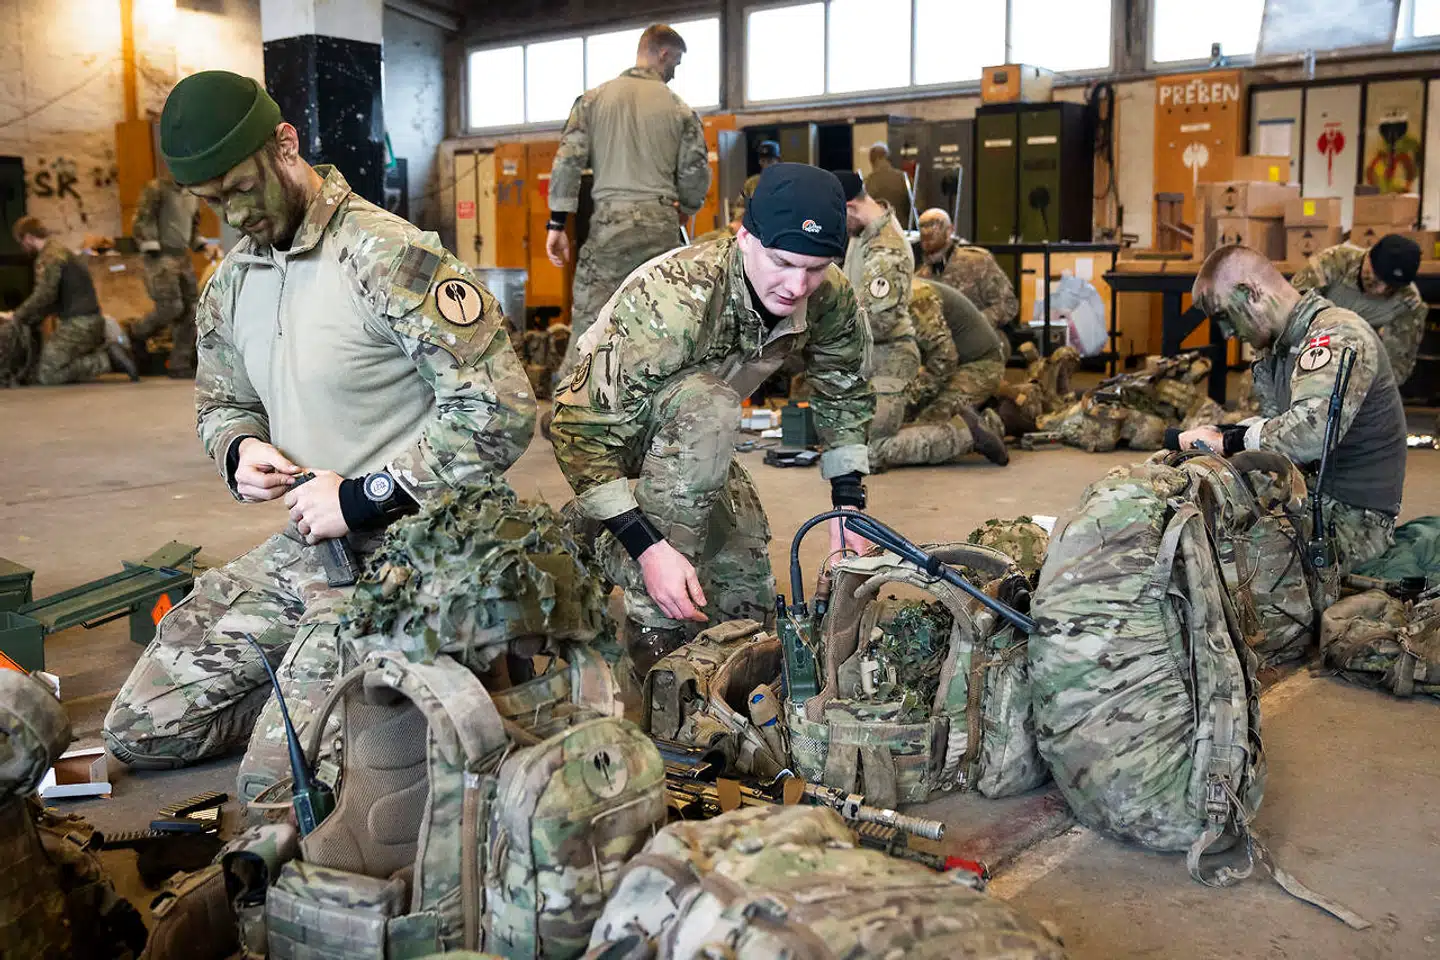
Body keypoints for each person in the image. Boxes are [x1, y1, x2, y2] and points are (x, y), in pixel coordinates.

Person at [101, 71, 536, 802]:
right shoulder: (232, 280)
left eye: (239, 189)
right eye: (210, 204)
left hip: (421, 548)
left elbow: (502, 409)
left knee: (277, 790)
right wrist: (239, 449)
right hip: (312, 546)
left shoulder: (390, 257)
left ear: (285, 145)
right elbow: (222, 403)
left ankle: (399, 696)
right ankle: (350, 700)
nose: (232, 216)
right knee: (142, 729)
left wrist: (366, 495)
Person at [550, 164, 874, 671]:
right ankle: (644, 610)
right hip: (618, 429)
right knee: (711, 410)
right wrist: (648, 550)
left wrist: (848, 505)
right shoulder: (676, 298)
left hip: (697, 437)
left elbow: (844, 389)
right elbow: (580, 430)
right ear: (745, 237)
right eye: (783, 263)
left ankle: (605, 534)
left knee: (744, 592)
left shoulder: (828, 296)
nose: (797, 285)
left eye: (816, 268)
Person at [1181, 244, 1406, 573]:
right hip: (1309, 494)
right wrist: (1227, 434)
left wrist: (1229, 441)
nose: (1227, 333)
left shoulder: (1337, 335)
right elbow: (1277, 426)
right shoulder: (1278, 346)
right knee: (1184, 498)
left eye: (1224, 316)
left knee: (1212, 563)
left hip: (1353, 521)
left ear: (1251, 292)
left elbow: (1310, 434)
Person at [546, 23, 710, 388]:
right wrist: (686, 206)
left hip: (610, 226)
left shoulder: (592, 100)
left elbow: (568, 162)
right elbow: (696, 171)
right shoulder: (681, 110)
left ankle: (572, 410)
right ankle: (660, 406)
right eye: (676, 63)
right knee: (665, 318)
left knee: (591, 317)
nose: (674, 72)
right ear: (663, 53)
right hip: (661, 224)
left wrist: (557, 225)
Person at [871, 277, 1009, 470]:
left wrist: (911, 397)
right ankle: (984, 422)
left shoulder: (917, 297)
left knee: (925, 429)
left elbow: (945, 357)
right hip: (947, 367)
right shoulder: (883, 295)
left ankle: (974, 430)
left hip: (979, 366)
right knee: (897, 420)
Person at [834, 169, 919, 457]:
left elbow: (880, 322)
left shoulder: (885, 248)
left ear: (850, 207)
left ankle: (963, 433)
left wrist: (833, 334)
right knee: (842, 445)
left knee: (872, 453)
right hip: (865, 352)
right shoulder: (864, 231)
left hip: (888, 357)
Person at [0, 216, 137, 385]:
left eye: (22, 242)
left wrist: (17, 316)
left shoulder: (49, 257)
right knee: (47, 365)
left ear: (28, 237)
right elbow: (51, 298)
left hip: (78, 325)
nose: (23, 247)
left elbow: (45, 296)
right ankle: (104, 355)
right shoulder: (59, 251)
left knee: (47, 374)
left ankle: (106, 360)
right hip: (87, 322)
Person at [1290, 235, 1427, 386]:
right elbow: (1291, 310)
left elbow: (1397, 365)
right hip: (1306, 344)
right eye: (1376, 278)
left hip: (1354, 365)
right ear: (1368, 257)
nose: (1381, 289)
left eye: (1391, 287)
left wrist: (1362, 388)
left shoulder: (1408, 303)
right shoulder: (1334, 261)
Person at [126, 175, 215, 377]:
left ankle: (179, 363)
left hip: (182, 256)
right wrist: (150, 244)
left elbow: (193, 224)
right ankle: (137, 332)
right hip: (160, 256)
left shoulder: (192, 191)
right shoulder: (157, 189)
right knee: (171, 307)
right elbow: (143, 218)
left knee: (192, 310)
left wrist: (200, 244)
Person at [915, 208, 1019, 331]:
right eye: (922, 226)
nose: (926, 231)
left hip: (981, 337)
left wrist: (974, 323)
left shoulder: (977, 262)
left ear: (949, 231)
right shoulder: (920, 275)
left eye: (933, 224)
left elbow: (1008, 304)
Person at [864, 142, 911, 229]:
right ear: (887, 157)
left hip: (878, 234)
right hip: (902, 230)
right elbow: (916, 206)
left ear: (872, 159)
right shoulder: (903, 177)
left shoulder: (867, 182)